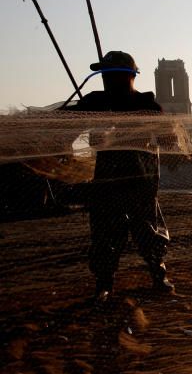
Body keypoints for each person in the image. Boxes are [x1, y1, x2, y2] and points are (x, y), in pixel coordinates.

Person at [63, 51, 175, 303]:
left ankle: (158, 274)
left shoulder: (147, 106)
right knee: (104, 235)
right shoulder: (96, 103)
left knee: (149, 231)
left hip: (141, 180)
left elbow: (169, 140)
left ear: (129, 77)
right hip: (107, 181)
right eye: (104, 75)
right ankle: (104, 283)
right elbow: (62, 124)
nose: (106, 79)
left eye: (111, 74)